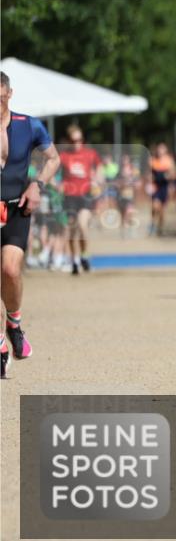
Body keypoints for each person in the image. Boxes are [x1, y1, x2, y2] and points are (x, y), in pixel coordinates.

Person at [0, 71, 61, 377]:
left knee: (10, 270)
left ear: (9, 94)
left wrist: (37, 185)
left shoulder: (29, 124)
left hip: (15, 209)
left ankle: (14, 323)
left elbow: (53, 159)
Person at [58, 125, 101, 275]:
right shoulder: (64, 156)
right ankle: (74, 260)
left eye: (80, 140)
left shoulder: (90, 154)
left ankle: (84, 255)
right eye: (74, 140)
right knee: (71, 229)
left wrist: (97, 181)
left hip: (85, 196)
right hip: (69, 197)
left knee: (82, 226)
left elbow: (100, 169)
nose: (77, 143)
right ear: (69, 141)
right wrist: (58, 185)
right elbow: (52, 171)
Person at [148, 142, 176, 236]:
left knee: (161, 210)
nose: (160, 151)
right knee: (155, 206)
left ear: (165, 151)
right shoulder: (152, 160)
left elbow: (174, 174)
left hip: (164, 187)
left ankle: (160, 227)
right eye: (159, 149)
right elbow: (147, 173)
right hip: (155, 186)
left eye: (162, 149)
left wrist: (169, 176)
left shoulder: (169, 161)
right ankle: (152, 224)